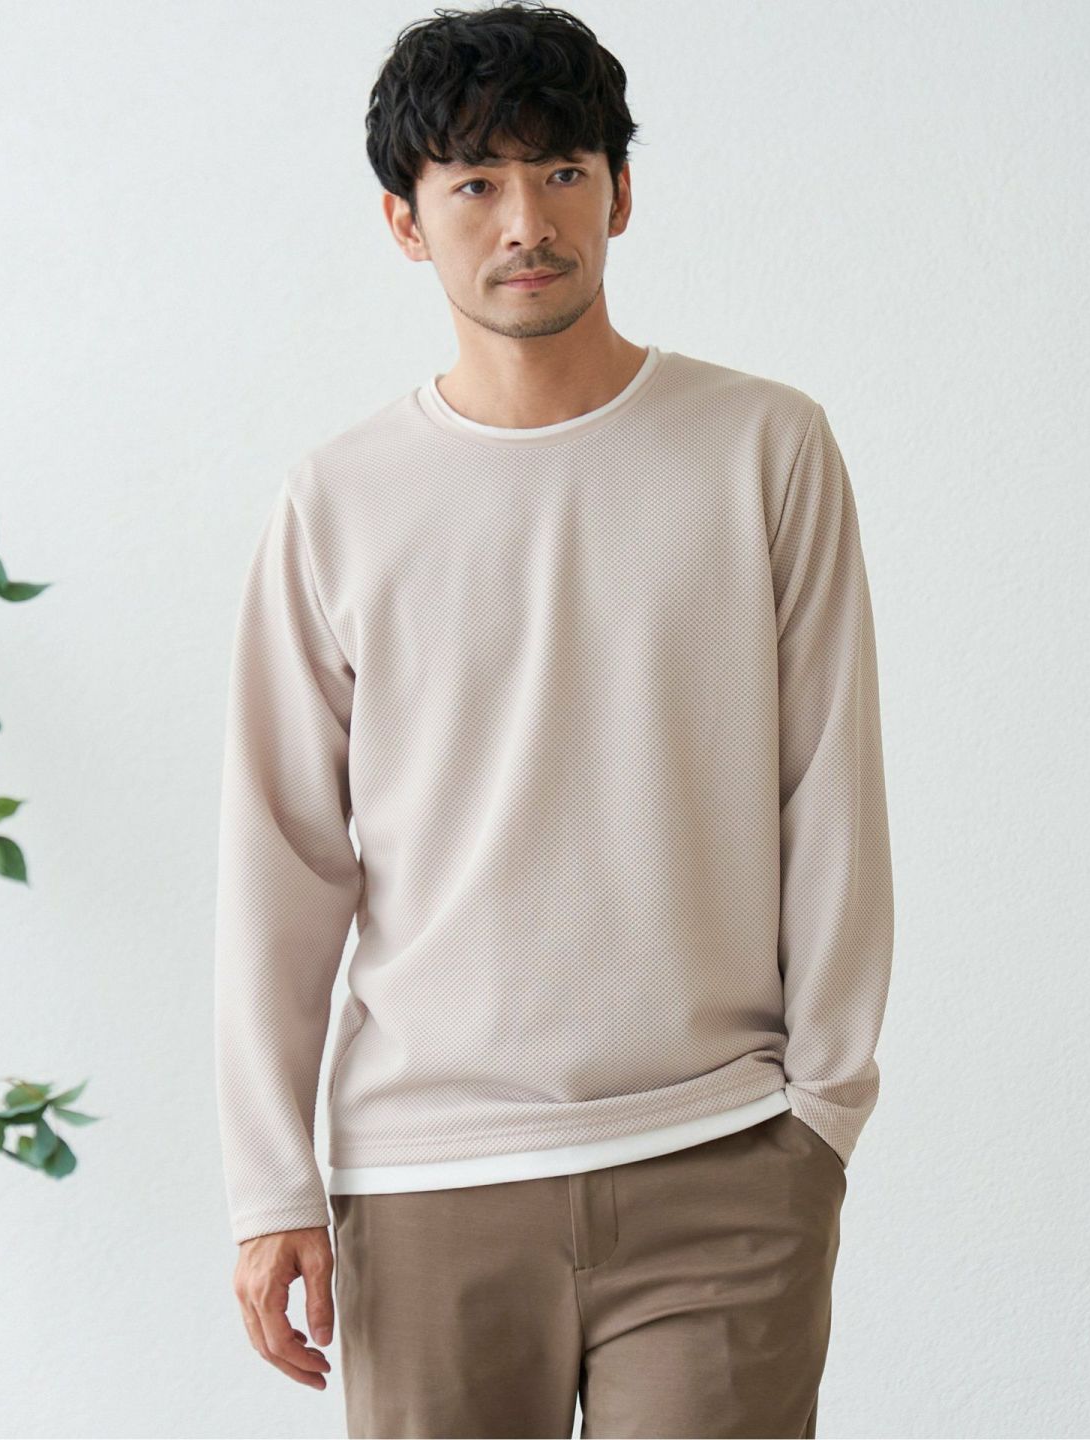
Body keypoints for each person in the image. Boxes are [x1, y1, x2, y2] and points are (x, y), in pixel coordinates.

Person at [213, 3, 895, 1435]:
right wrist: (271, 1185)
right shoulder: (337, 503)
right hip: (426, 1180)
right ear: (406, 223)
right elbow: (283, 862)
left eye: (563, 173)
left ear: (619, 194)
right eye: (475, 183)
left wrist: (821, 1116)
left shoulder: (764, 448)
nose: (526, 221)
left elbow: (830, 790)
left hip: (723, 1157)